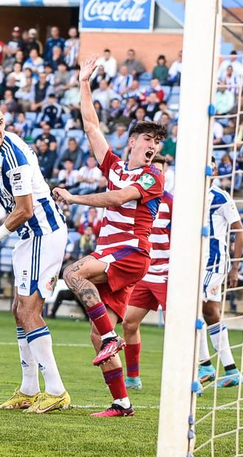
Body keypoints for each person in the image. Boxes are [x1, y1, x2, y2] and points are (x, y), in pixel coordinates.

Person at [51, 54, 169, 419]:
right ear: (132, 141)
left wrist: (74, 196)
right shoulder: (116, 166)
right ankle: (122, 403)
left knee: (73, 272)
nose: (153, 146)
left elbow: (118, 198)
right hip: (111, 253)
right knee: (95, 335)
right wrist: (83, 82)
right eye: (149, 139)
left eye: (158, 143)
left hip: (132, 252)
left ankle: (111, 338)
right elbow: (90, 126)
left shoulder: (152, 178)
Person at [0, 98, 70, 412]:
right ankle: (28, 389)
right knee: (18, 310)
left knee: (29, 312)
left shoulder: (16, 154)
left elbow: (24, 210)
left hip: (43, 232)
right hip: (27, 236)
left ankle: (56, 390)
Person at [116, 157, 173, 394]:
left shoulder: (170, 202)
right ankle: (133, 378)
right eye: (153, 170)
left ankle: (193, 375)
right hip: (146, 272)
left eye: (160, 170)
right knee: (129, 323)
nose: (156, 174)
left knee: (176, 327)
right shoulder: (136, 197)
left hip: (168, 273)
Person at [193, 176, 243, 388]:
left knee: (193, 309)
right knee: (209, 312)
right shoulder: (192, 195)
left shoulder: (220, 196)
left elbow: (240, 232)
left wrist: (235, 267)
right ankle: (231, 370)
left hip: (213, 262)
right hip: (196, 262)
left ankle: (205, 366)